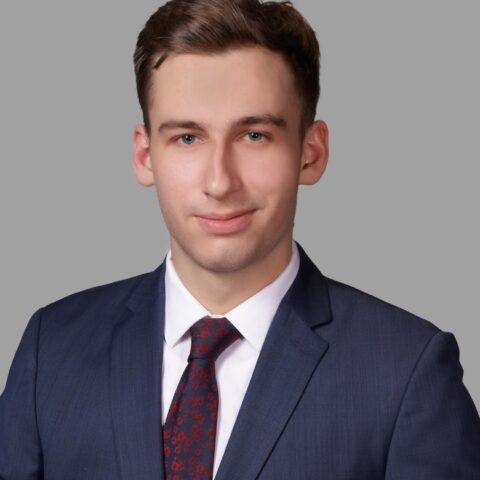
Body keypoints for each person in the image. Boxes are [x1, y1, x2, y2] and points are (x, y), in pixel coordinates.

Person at [1, 0, 479, 478]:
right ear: (145, 156)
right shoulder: (53, 349)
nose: (220, 182)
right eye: (188, 138)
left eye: (254, 135)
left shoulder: (406, 371)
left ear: (310, 153)